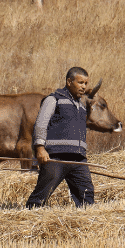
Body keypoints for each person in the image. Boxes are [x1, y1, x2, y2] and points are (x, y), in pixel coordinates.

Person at [25, 66, 95, 209]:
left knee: (87, 195)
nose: (84, 87)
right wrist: (40, 149)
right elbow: (40, 124)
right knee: (41, 195)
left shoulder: (81, 107)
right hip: (55, 158)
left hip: (78, 159)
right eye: (80, 82)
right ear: (69, 82)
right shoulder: (53, 99)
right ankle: (29, 215)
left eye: (86, 84)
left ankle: (86, 224)